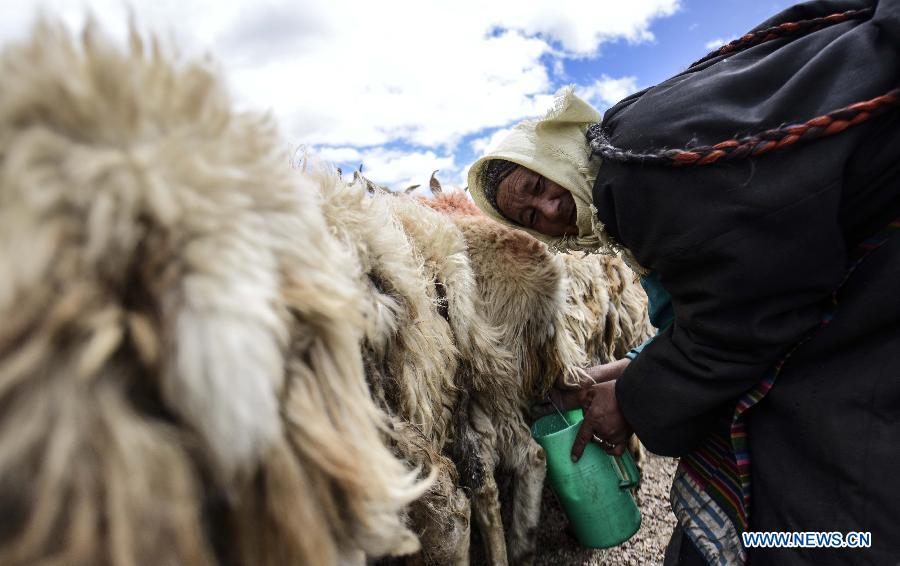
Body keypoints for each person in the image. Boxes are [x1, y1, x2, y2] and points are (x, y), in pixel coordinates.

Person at [466, 1, 900, 564]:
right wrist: (639, 365)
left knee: (815, 529)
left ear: (556, 151)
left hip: (850, 354)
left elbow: (745, 319)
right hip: (861, 309)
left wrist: (633, 396)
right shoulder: (645, 163)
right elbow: (744, 282)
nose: (549, 208)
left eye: (538, 184)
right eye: (531, 218)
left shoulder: (633, 176)